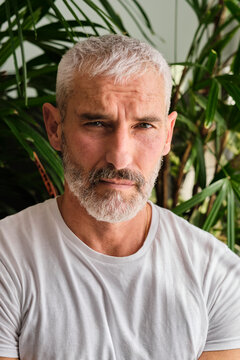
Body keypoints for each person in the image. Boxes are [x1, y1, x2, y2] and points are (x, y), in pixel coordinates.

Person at [0, 35, 240, 360]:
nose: (120, 158)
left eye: (143, 126)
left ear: (167, 135)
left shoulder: (216, 273)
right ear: (55, 127)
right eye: (98, 123)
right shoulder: (8, 259)